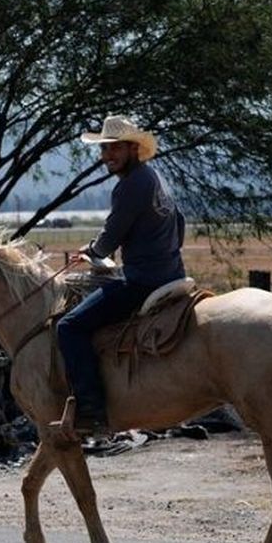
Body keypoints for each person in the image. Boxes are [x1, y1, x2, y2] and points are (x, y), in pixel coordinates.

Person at [56, 115, 186, 434]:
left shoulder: (130, 185)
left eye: (115, 148)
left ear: (132, 148)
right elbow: (179, 225)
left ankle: (91, 408)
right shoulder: (154, 177)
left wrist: (92, 251)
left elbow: (110, 237)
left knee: (69, 326)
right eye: (104, 149)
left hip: (143, 282)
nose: (107, 155)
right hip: (172, 274)